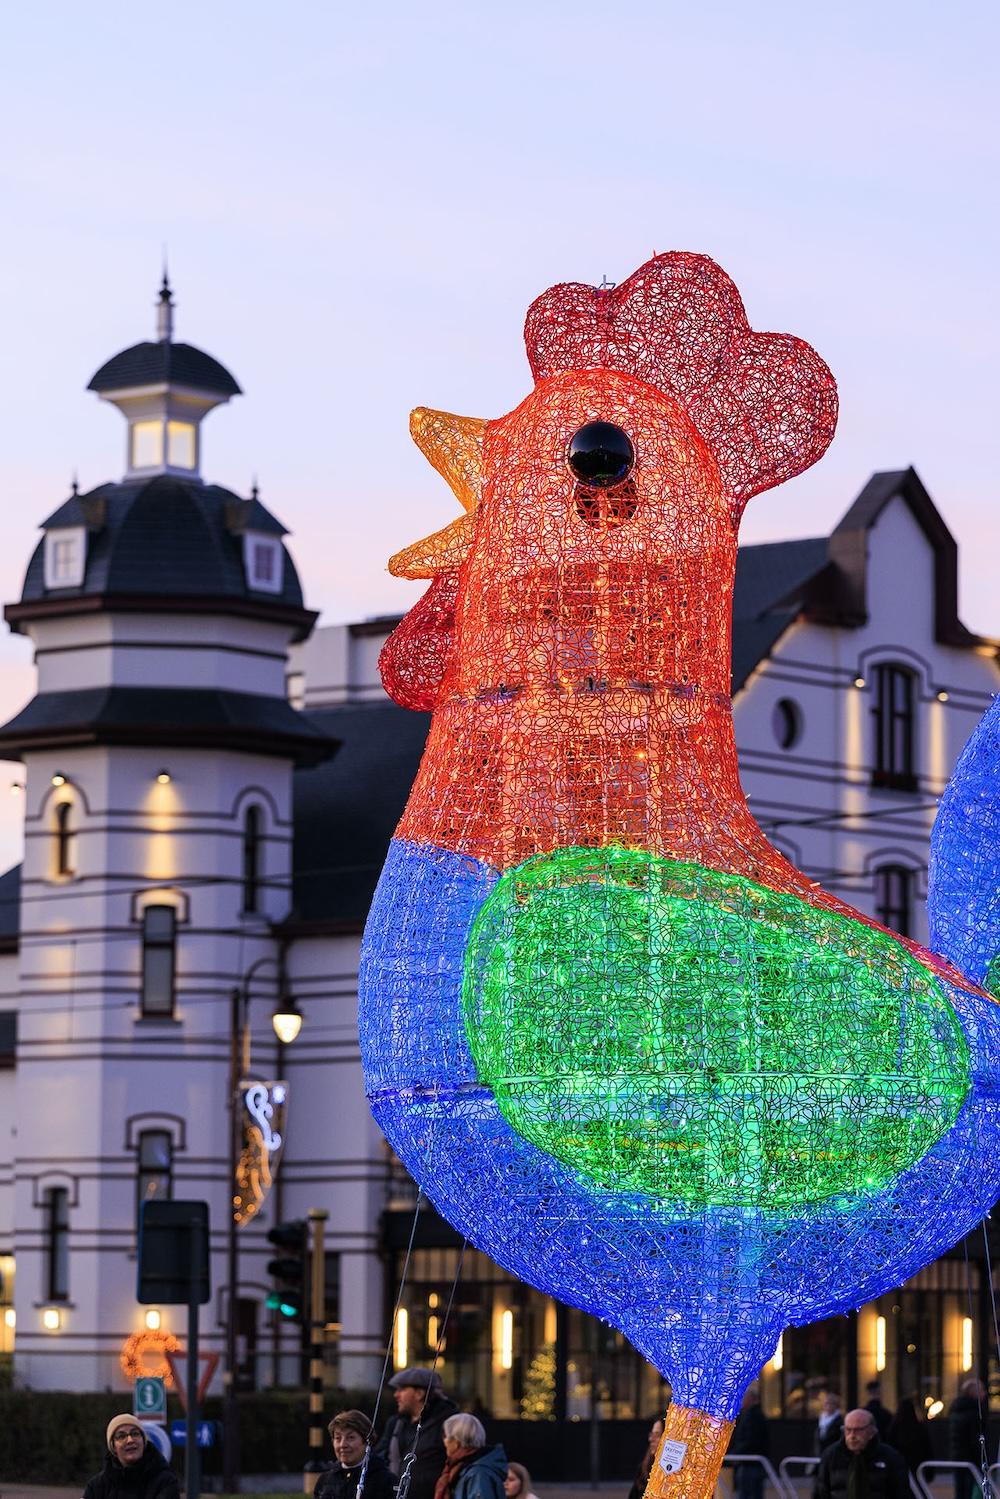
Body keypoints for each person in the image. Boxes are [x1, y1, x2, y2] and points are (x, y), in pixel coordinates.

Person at [378, 1366, 458, 1499]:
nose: (396, 1395)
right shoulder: (396, 1423)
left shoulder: (448, 1422)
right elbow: (380, 1457)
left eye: (402, 1389)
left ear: (419, 1393)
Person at [813, 1408, 908, 1499]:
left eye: (858, 1430)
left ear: (871, 1432)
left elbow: (901, 1493)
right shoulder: (831, 1456)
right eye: (848, 1430)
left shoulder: (890, 1457)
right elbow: (821, 1492)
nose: (852, 1436)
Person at [83, 1416, 179, 1499]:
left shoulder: (166, 1482)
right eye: (121, 1436)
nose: (130, 1440)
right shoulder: (96, 1486)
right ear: (113, 1446)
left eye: (135, 1434)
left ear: (144, 1441)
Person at [316, 1410, 395, 1499]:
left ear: (367, 1441)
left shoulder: (386, 1481)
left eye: (350, 1437)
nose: (343, 1445)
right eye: (338, 1438)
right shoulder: (325, 1481)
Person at [433, 1414, 506, 1499]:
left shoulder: (478, 1474)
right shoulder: (461, 1469)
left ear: (456, 1441)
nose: (444, 1441)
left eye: (445, 1436)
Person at [947, 1379, 986, 1499]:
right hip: (970, 1458)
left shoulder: (957, 1409)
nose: (984, 1394)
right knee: (970, 1489)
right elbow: (974, 1440)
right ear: (974, 1393)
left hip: (958, 1456)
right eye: (981, 1390)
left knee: (961, 1490)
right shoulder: (974, 1412)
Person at [730, 1387, 770, 1499]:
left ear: (751, 1399)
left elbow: (751, 1439)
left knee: (747, 1493)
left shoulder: (753, 1416)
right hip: (751, 1462)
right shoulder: (753, 1415)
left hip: (749, 1463)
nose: (742, 1401)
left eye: (744, 1398)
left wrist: (735, 1454)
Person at [887, 1394, 932, 1479]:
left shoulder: (894, 1428)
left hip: (899, 1468)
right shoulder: (919, 1428)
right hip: (917, 1468)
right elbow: (927, 1450)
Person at [627, 1418, 664, 1499]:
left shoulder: (675, 1474)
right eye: (651, 1434)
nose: (651, 1439)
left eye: (657, 1435)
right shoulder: (644, 1468)